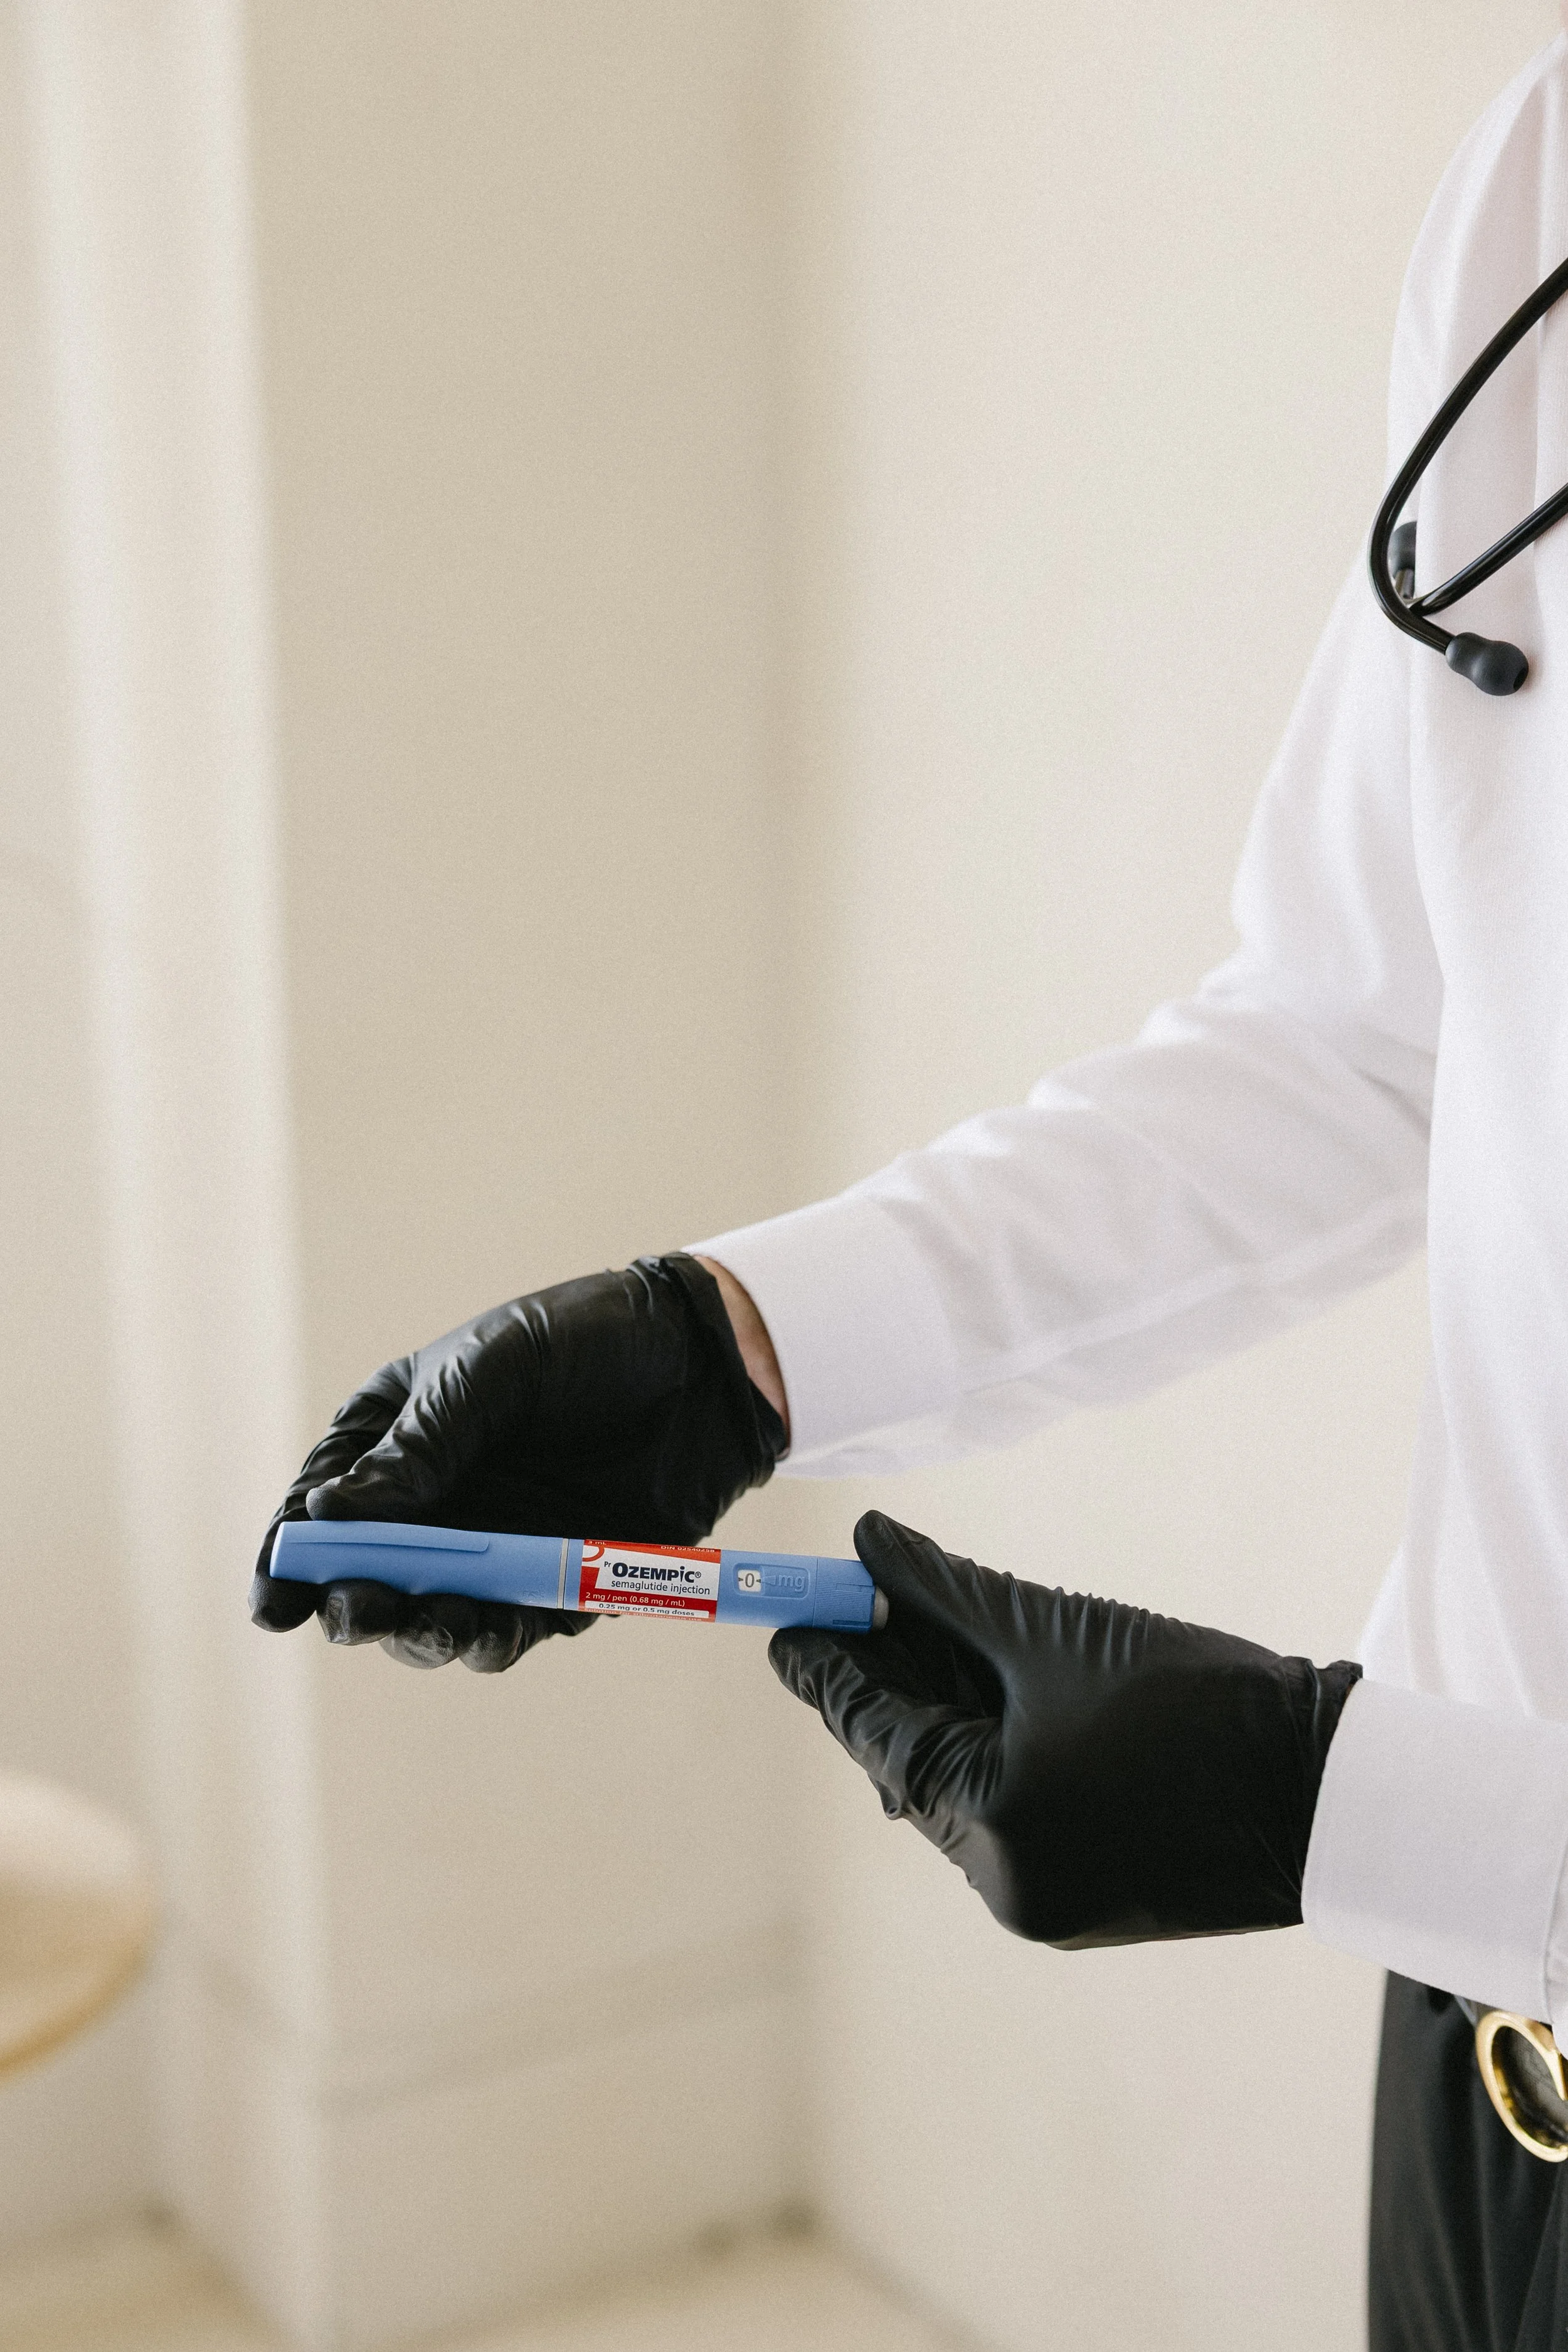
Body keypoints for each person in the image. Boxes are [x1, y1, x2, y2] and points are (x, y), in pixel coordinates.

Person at [253, 28, 1568, 2350]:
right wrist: (735, 1338)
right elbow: (1378, 1016)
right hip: (1486, 2077)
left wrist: (1356, 1803)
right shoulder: (1535, 176)